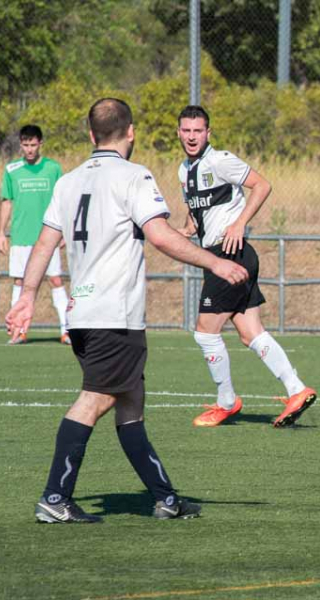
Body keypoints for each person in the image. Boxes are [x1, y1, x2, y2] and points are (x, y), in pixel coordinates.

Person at [5, 98, 249, 523]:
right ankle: (55, 497)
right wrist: (215, 261)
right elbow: (159, 236)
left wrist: (26, 295)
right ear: (130, 132)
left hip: (83, 314)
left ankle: (165, 498)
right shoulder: (135, 177)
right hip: (112, 314)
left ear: (91, 135)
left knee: (131, 400)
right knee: (95, 399)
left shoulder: (69, 181)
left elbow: (45, 244)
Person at [176, 105, 316, 429]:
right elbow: (197, 213)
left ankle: (226, 403)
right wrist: (185, 230)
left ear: (208, 133)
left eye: (198, 131)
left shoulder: (220, 160)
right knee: (250, 332)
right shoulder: (185, 170)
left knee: (205, 333)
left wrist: (239, 223)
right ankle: (296, 389)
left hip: (230, 255)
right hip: (228, 255)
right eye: (186, 130)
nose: (192, 136)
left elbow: (262, 185)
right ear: (179, 133)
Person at [1, 125, 70, 345]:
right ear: (20, 144)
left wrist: (65, 231)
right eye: (25, 145)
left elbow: (64, 202)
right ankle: (18, 330)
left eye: (33, 145)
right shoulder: (12, 169)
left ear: (40, 144)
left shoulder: (53, 168)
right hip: (21, 237)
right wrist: (1, 232)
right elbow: (7, 202)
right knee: (20, 281)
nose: (29, 149)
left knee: (56, 280)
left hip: (47, 238)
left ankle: (66, 330)